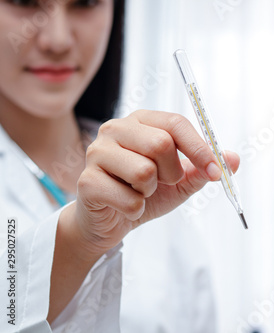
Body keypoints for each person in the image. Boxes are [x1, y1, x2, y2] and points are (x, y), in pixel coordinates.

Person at [0, 0, 240, 331]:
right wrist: (80, 240)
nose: (57, 40)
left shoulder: (150, 176)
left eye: (84, 3)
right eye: (24, 2)